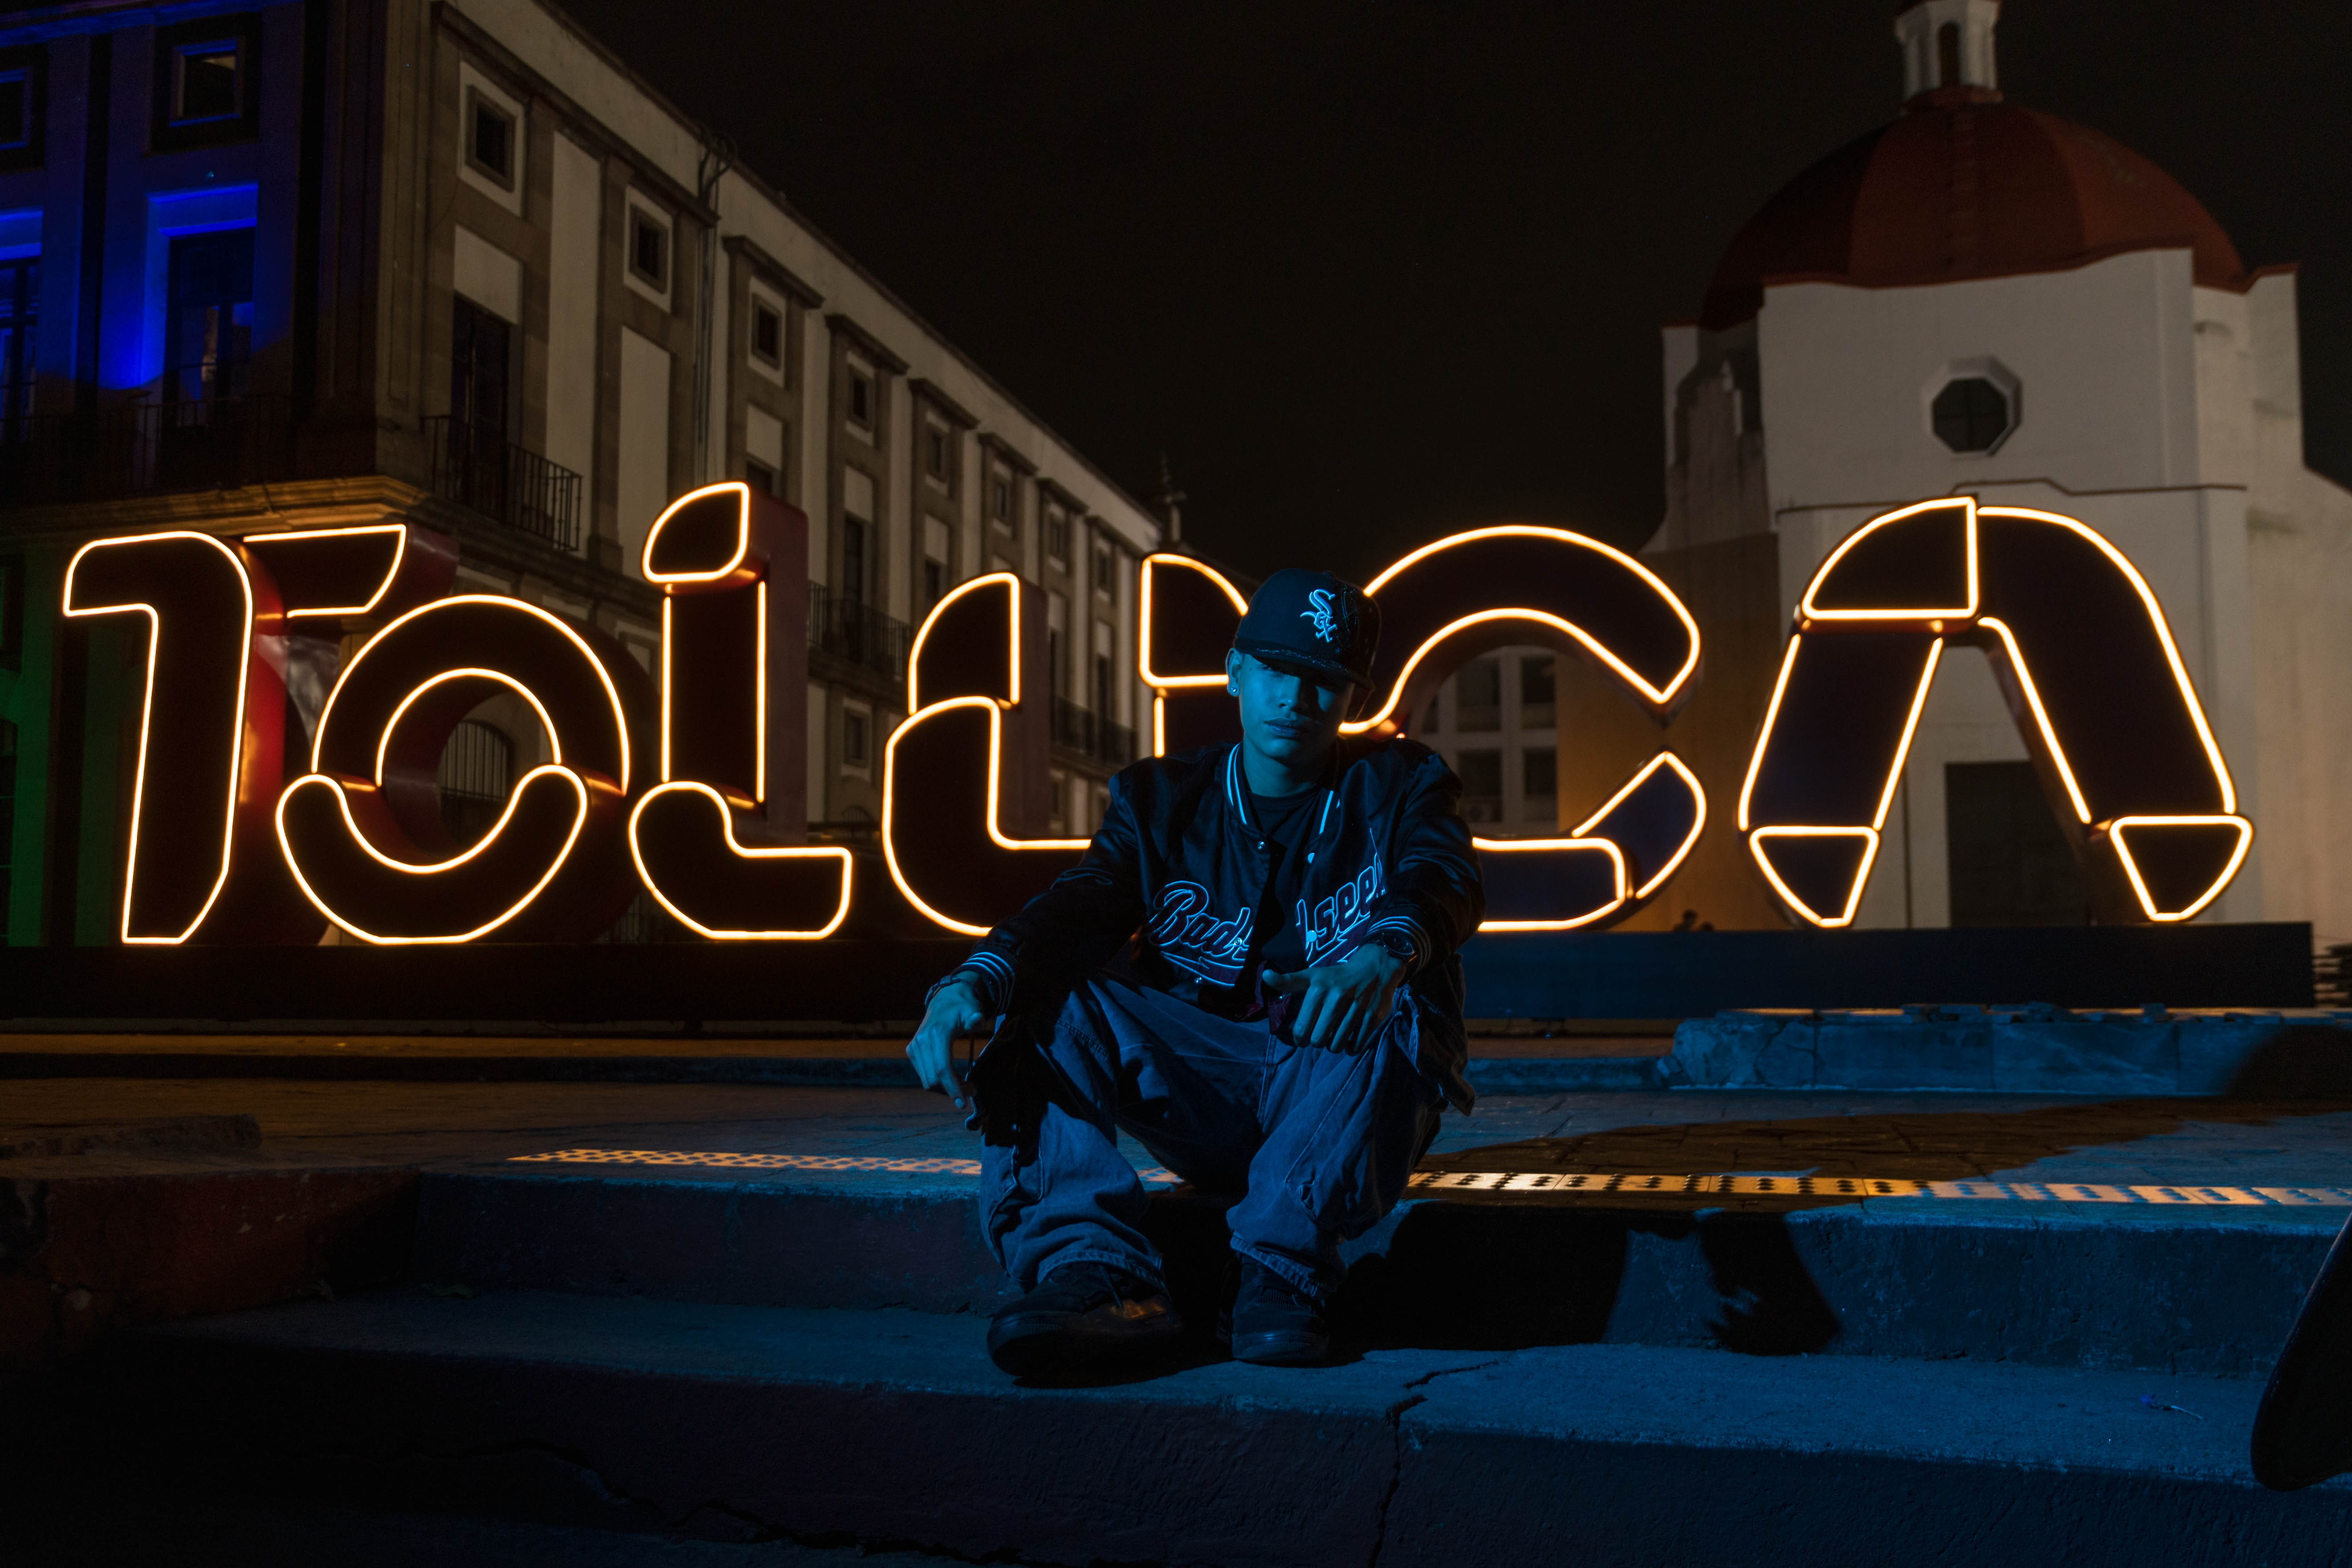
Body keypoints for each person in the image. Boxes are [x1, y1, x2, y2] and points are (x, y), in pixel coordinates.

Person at [906, 568, 1484, 1377]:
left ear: (1354, 696)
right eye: (1277, 668)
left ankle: (1278, 1270)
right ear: (1236, 671)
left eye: (1324, 679)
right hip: (1202, 1083)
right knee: (1049, 991)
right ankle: (1093, 1272)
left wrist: (1383, 953)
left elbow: (1442, 876)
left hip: (1335, 1088)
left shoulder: (1401, 784)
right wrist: (972, 980)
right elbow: (1081, 902)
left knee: (1404, 992)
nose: (1297, 697)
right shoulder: (1159, 800)